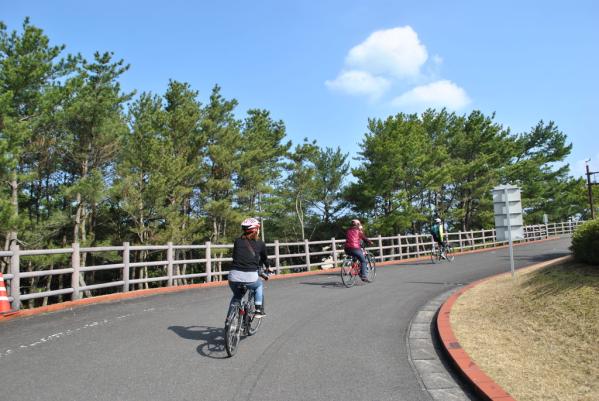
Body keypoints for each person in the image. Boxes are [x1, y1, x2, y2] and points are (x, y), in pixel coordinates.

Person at [228, 217, 271, 318]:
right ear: (255, 230)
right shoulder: (260, 243)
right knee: (259, 285)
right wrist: (268, 267)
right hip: (250, 276)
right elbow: (265, 258)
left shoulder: (237, 241)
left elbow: (235, 256)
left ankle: (229, 321)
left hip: (233, 276)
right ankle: (258, 309)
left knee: (237, 297)